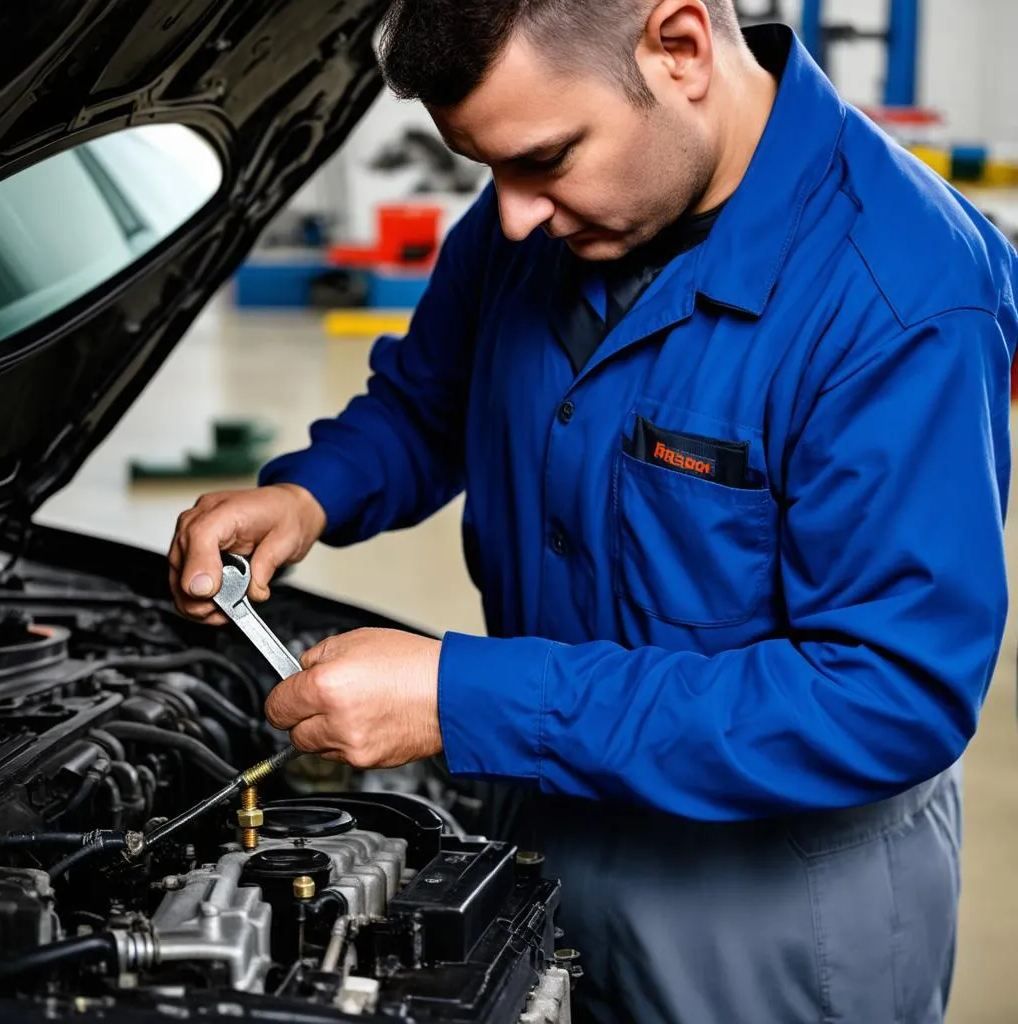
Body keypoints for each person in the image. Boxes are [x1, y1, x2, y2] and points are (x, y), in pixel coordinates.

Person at [169, 2, 1018, 1021]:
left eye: (542, 159)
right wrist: (312, 492)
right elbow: (430, 402)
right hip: (541, 855)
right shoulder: (543, 214)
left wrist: (462, 697)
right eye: (491, 171)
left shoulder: (902, 295)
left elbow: (887, 693)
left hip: (767, 932)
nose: (513, 216)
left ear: (679, 47)